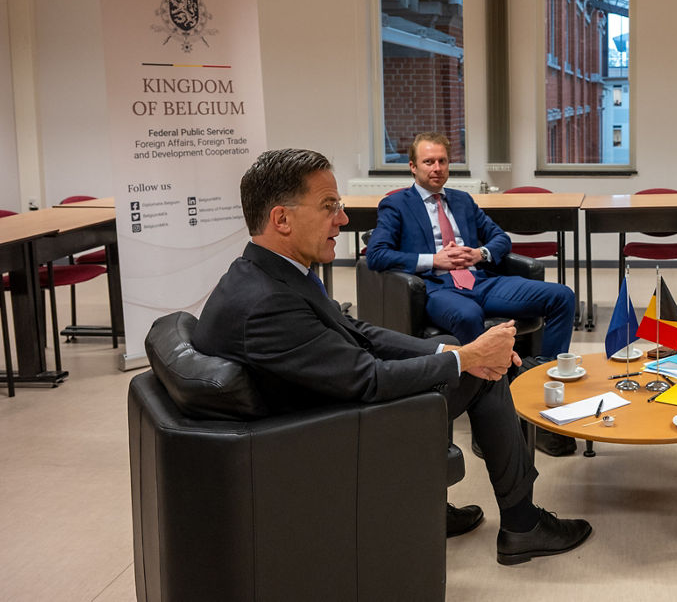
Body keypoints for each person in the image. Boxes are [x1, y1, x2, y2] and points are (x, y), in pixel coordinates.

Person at [192, 149, 591, 565]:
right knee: (482, 374)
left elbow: (356, 332)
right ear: (282, 219)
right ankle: (523, 525)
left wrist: (450, 350)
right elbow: (369, 379)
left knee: (471, 360)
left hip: (320, 412)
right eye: (329, 206)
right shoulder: (267, 303)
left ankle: (431, 510)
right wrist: (467, 359)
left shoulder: (270, 274)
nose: (343, 220)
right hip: (324, 440)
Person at [365, 132, 579, 456]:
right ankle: (494, 412)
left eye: (442, 161)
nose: (436, 168)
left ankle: (536, 384)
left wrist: (481, 254)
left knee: (561, 296)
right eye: (428, 162)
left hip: (480, 280)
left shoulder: (462, 200)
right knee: (468, 316)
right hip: (436, 287)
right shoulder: (396, 205)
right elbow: (376, 254)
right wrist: (432, 259)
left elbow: (500, 238)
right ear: (412, 167)